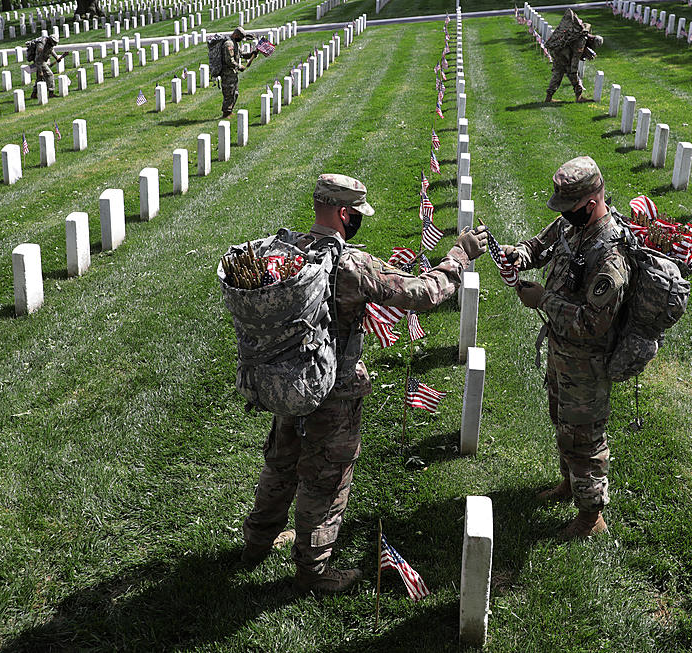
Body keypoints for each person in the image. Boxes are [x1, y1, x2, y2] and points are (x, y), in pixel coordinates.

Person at [241, 174, 489, 593]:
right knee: (327, 478)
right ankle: (314, 571)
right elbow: (422, 294)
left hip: (288, 384)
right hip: (333, 392)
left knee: (281, 463)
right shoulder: (351, 266)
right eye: (356, 214)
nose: (358, 221)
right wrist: (458, 256)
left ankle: (256, 542)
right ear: (343, 213)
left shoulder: (286, 253)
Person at [501, 156, 630, 539]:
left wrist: (543, 300)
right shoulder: (570, 225)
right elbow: (539, 246)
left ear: (591, 205)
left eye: (570, 208)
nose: (564, 216)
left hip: (587, 361)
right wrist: (518, 254)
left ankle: (591, 517)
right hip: (562, 350)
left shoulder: (610, 256)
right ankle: (569, 484)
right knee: (562, 421)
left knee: (584, 437)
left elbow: (593, 322)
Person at [544, 9, 602, 103]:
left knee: (561, 73)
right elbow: (574, 66)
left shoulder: (584, 31)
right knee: (564, 73)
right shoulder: (581, 43)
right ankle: (577, 97)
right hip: (561, 54)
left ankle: (550, 97)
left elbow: (586, 27)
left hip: (558, 50)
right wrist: (574, 75)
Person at [220, 26, 255, 119]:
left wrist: (252, 54)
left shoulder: (235, 43)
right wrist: (239, 67)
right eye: (240, 37)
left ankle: (230, 111)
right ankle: (226, 113)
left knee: (235, 93)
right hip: (227, 73)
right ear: (235, 35)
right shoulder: (229, 44)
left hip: (233, 73)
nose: (240, 39)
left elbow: (241, 54)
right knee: (228, 93)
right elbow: (229, 60)